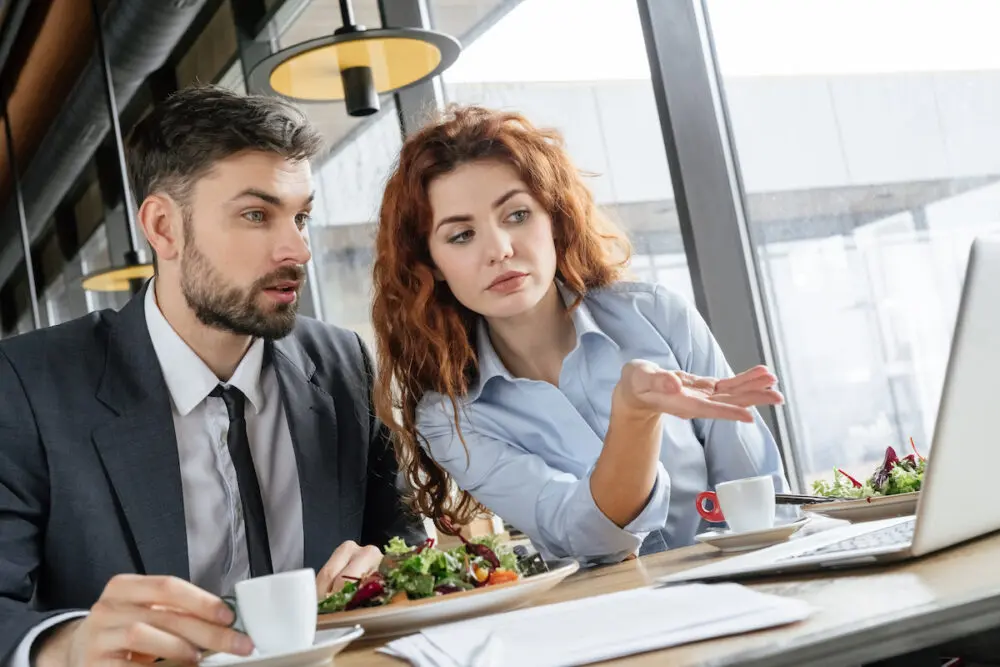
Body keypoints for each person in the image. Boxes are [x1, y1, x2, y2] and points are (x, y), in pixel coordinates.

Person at [0, 85, 424, 666]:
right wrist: (61, 646)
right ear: (163, 227)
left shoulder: (341, 361)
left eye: (301, 215)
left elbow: (399, 536)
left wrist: (383, 563)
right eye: (256, 215)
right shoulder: (26, 384)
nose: (297, 248)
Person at [370, 105, 786, 566]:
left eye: (516, 215)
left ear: (554, 218)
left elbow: (759, 499)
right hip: (605, 625)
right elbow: (589, 538)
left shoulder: (656, 316)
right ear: (431, 267)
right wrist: (634, 417)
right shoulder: (450, 418)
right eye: (462, 236)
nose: (500, 250)